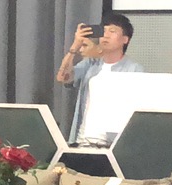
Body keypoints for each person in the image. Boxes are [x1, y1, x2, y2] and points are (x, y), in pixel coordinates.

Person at [55, 11, 142, 143]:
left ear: (125, 39)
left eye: (112, 31)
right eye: (104, 30)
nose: (106, 35)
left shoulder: (133, 69)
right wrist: (75, 45)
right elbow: (63, 77)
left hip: (113, 143)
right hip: (82, 139)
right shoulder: (90, 64)